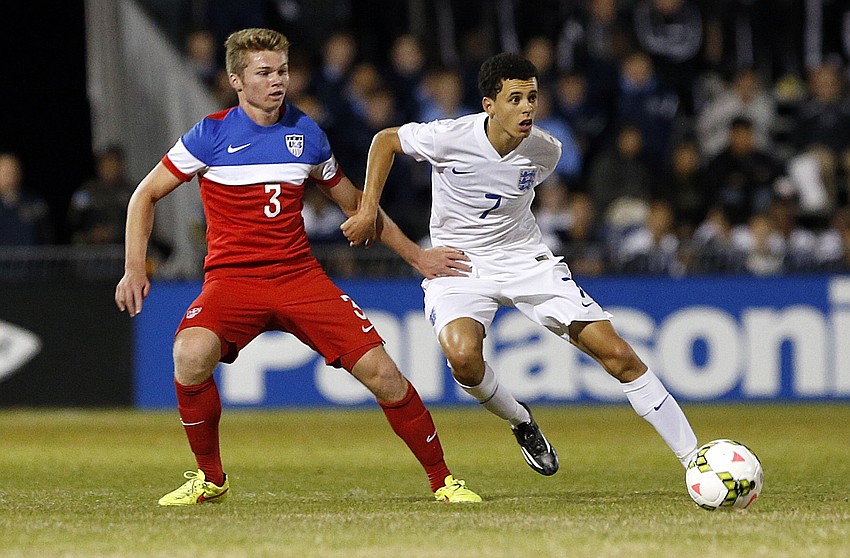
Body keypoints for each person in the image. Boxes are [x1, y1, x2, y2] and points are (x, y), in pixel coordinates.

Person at [114, 28, 480, 506]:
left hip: (298, 277)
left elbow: (357, 206)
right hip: (233, 282)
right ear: (236, 80)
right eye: (264, 72)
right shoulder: (210, 134)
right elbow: (145, 194)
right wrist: (134, 267)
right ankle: (210, 478)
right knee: (189, 354)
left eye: (282, 70)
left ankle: (443, 480)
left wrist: (418, 256)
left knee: (385, 374)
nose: (277, 81)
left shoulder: (306, 134)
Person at [341, 52, 699, 475]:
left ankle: (696, 460)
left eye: (532, 96)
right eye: (514, 98)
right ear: (489, 105)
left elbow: (517, 193)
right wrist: (367, 209)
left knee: (617, 353)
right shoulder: (448, 136)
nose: (527, 107)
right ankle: (521, 420)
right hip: (460, 264)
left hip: (524, 259)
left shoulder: (545, 150)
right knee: (463, 358)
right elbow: (385, 140)